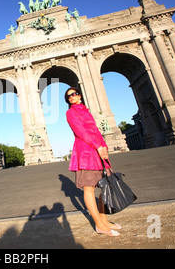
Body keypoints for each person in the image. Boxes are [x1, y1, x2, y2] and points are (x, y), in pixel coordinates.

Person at [65, 87, 121, 237]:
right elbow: (80, 132)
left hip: (98, 151)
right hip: (85, 152)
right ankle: (99, 224)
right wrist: (97, 146)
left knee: (106, 186)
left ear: (80, 96)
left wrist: (104, 147)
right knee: (89, 189)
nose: (72, 96)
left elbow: (95, 130)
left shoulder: (86, 110)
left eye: (74, 94)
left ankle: (104, 220)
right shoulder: (71, 112)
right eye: (69, 96)